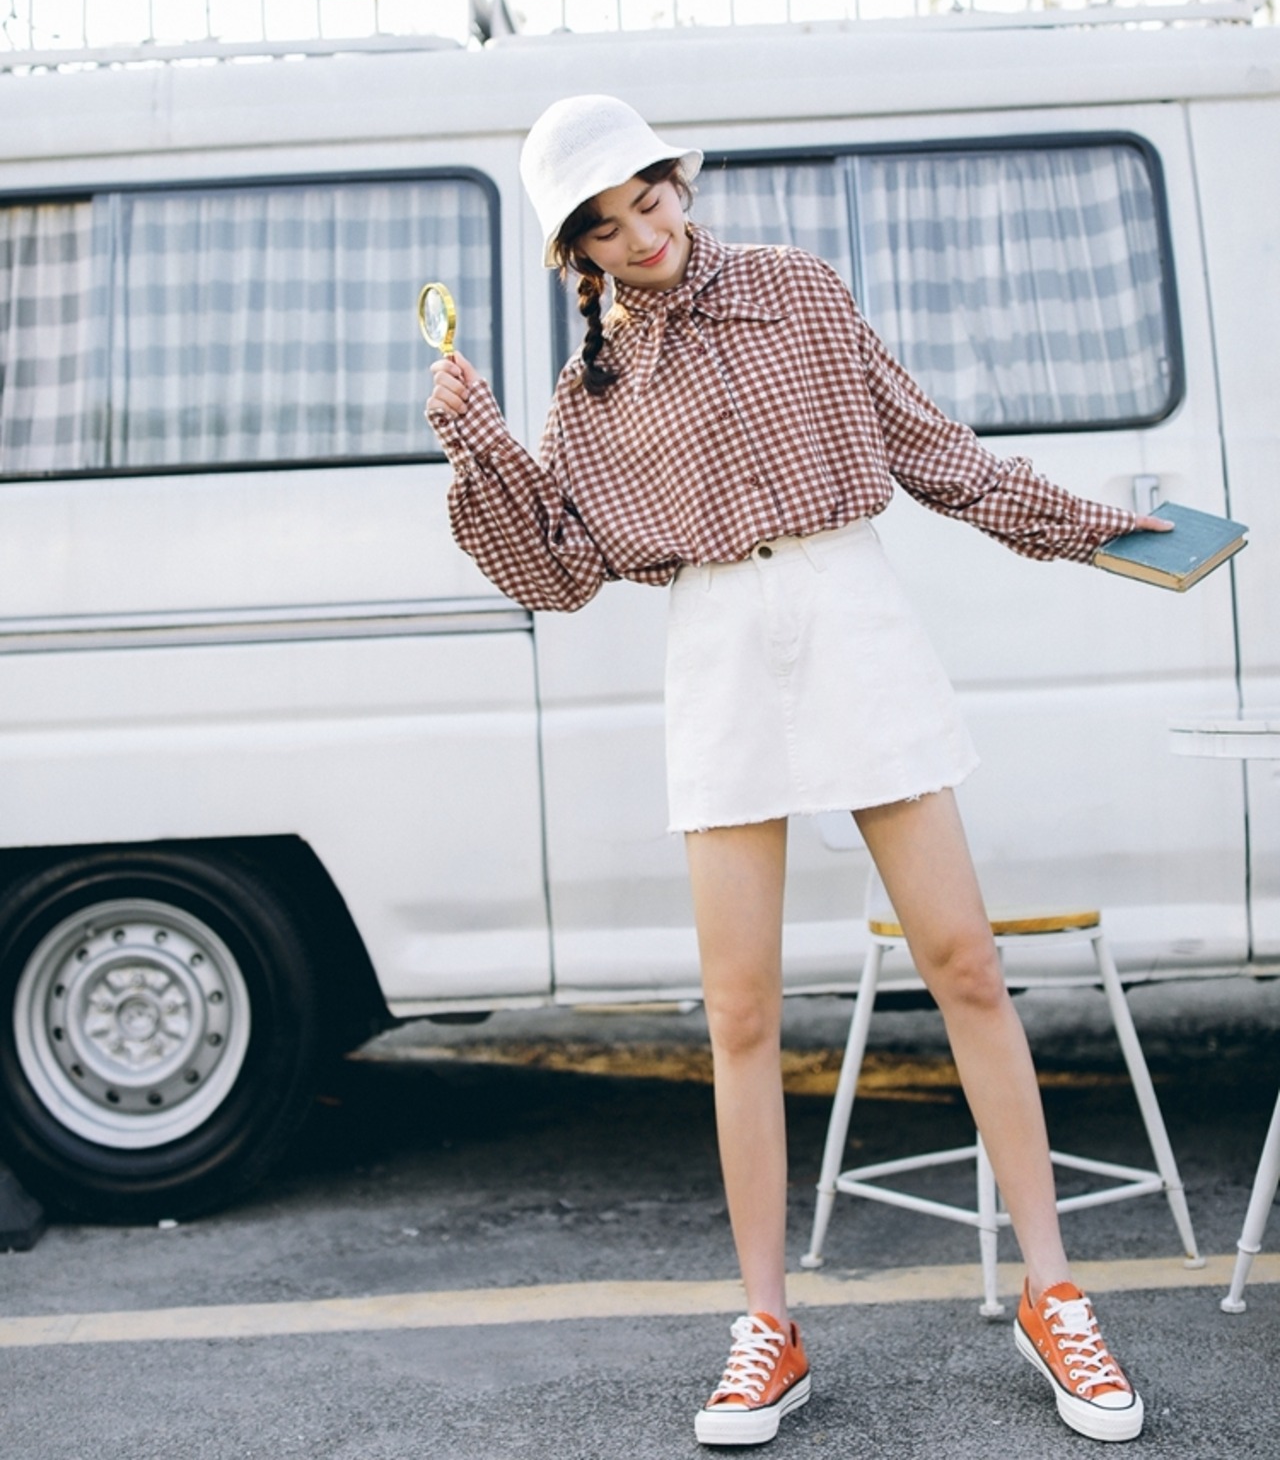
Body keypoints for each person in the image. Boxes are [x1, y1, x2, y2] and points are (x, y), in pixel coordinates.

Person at [425, 93, 1171, 1448]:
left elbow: (936, 456)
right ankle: (767, 1326)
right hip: (716, 645)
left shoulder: (799, 290)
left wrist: (1101, 531)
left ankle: (1055, 1292)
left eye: (650, 198)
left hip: (851, 612)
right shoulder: (588, 393)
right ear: (575, 253)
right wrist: (481, 449)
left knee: (966, 963)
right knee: (740, 1011)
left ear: (679, 182)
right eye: (606, 226)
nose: (644, 235)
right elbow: (563, 573)